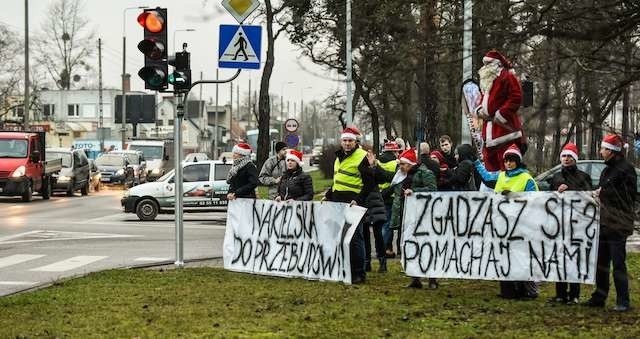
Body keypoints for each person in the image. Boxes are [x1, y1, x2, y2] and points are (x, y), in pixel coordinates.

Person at [474, 144, 538, 299]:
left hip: (521, 225)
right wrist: (475, 162)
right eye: (506, 161)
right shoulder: (501, 175)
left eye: (511, 161)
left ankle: (527, 291)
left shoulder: (526, 178)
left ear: (517, 161)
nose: (508, 164)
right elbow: (488, 176)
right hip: (502, 224)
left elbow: (534, 200)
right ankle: (507, 290)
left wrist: (514, 196)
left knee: (521, 257)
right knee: (504, 255)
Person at [584, 134, 637, 312]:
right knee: (601, 263)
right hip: (604, 223)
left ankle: (623, 301)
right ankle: (599, 296)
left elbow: (627, 195)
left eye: (604, 148)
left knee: (618, 263)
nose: (601, 151)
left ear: (612, 151)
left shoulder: (626, 169)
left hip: (619, 223)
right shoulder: (606, 171)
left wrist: (603, 193)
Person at [324, 125, 376, 284]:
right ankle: (343, 269)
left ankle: (358, 273)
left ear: (355, 142)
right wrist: (328, 195)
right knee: (340, 237)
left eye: (350, 141)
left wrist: (359, 200)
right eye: (345, 140)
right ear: (341, 141)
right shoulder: (339, 157)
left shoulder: (362, 157)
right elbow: (338, 180)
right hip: (338, 201)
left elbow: (369, 183)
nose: (347, 143)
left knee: (354, 238)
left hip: (354, 203)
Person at [545, 142, 592, 305]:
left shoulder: (583, 177)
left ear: (575, 159)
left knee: (574, 258)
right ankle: (560, 294)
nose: (566, 159)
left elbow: (587, 197)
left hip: (577, 225)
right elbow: (548, 198)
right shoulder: (556, 176)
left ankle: (574, 294)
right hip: (559, 224)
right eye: (564, 156)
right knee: (559, 258)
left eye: (569, 156)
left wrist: (570, 188)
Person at [389, 148, 438, 289]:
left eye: (403, 164)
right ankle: (415, 278)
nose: (400, 167)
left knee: (427, 247)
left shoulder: (426, 173)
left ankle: (432, 278)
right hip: (408, 216)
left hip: (424, 217)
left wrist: (415, 192)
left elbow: (433, 190)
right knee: (410, 247)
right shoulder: (400, 176)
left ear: (410, 164)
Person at [476, 50, 525, 172]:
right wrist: (480, 110)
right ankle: (491, 190)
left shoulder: (507, 77)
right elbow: (483, 100)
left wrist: (501, 114)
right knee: (490, 167)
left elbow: (516, 97)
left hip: (504, 130)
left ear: (496, 64)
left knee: (506, 166)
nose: (485, 67)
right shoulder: (488, 81)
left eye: (488, 64)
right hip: (489, 132)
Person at [375, 141, 401, 261]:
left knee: (380, 224)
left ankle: (384, 248)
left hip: (378, 196)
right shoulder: (395, 164)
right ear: (395, 152)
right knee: (388, 224)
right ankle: (384, 249)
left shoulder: (378, 162)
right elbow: (396, 181)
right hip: (389, 197)